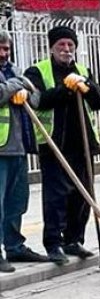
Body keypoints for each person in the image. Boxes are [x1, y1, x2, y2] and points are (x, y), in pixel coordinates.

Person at [24, 26, 100, 265]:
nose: (66, 49)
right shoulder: (38, 70)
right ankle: (53, 243)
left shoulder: (82, 70)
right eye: (61, 45)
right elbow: (38, 100)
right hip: (54, 143)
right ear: (52, 47)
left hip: (82, 142)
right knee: (56, 196)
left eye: (70, 45)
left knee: (83, 195)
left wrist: (86, 87)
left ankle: (74, 239)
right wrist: (65, 89)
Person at [0, 31, 42, 271]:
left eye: (7, 49)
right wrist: (18, 84)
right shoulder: (15, 76)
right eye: (1, 48)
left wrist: (27, 91)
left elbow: (35, 98)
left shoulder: (14, 70)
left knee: (17, 202)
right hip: (1, 148)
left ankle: (14, 247)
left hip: (18, 147)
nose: (4, 53)